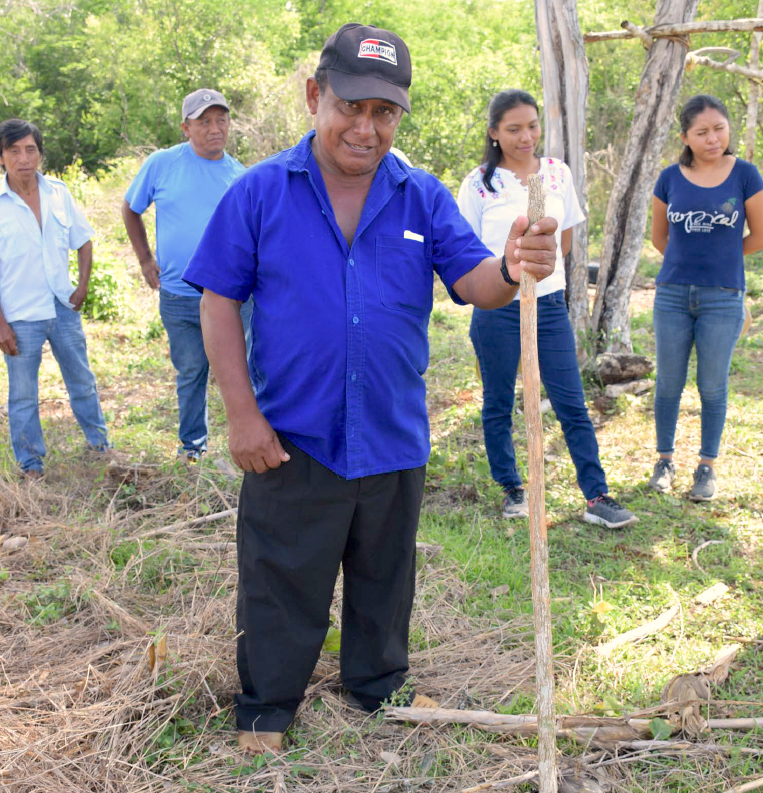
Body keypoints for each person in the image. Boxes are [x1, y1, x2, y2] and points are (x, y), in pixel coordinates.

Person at [182, 24, 558, 754]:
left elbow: (477, 282)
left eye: (384, 112)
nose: (365, 126)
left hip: (390, 431)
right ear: (315, 96)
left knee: (385, 574)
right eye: (350, 105)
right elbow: (218, 299)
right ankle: (267, 706)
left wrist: (513, 265)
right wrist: (240, 416)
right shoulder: (261, 191)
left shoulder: (418, 196)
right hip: (292, 435)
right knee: (280, 575)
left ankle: (376, 682)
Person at [457, 90, 637, 530]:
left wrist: (545, 277)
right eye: (514, 128)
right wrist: (505, 282)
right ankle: (512, 488)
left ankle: (597, 496)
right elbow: (466, 252)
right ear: (494, 133)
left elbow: (567, 239)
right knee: (498, 402)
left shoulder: (557, 174)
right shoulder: (479, 182)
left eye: (532, 126)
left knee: (571, 403)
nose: (526, 136)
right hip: (498, 308)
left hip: (550, 306)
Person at [648, 94, 763, 501]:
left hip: (724, 296)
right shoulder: (669, 178)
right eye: (701, 132)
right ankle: (664, 460)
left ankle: (706, 467)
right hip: (672, 295)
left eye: (719, 128)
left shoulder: (747, 175)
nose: (712, 138)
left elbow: (762, 236)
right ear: (686, 136)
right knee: (668, 383)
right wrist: (688, 263)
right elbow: (659, 237)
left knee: (712, 386)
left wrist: (719, 262)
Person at [122, 88, 252, 462]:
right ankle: (192, 449)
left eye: (221, 119)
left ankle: (250, 440)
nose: (215, 129)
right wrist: (146, 259)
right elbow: (131, 209)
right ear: (186, 127)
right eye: (204, 121)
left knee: (242, 370)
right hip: (179, 295)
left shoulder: (240, 176)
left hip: (230, 297)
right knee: (192, 370)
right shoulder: (162, 164)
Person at [0, 119, 110, 478]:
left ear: (40, 153)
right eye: (14, 150)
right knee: (22, 396)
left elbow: (84, 240)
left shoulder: (58, 193)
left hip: (62, 308)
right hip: (19, 315)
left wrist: (82, 286)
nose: (23, 158)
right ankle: (31, 465)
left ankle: (100, 447)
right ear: (2, 157)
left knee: (81, 380)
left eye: (30, 149)